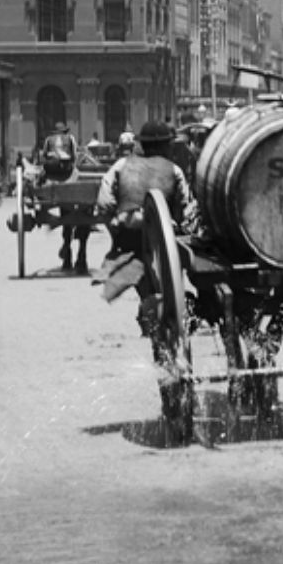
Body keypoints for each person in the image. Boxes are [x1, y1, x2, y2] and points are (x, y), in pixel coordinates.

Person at [93, 121, 204, 407]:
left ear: (141, 145)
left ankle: (155, 325)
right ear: (168, 145)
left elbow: (103, 207)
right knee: (174, 290)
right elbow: (189, 211)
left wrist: (119, 234)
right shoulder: (174, 170)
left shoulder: (119, 167)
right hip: (165, 246)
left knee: (151, 297)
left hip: (132, 245)